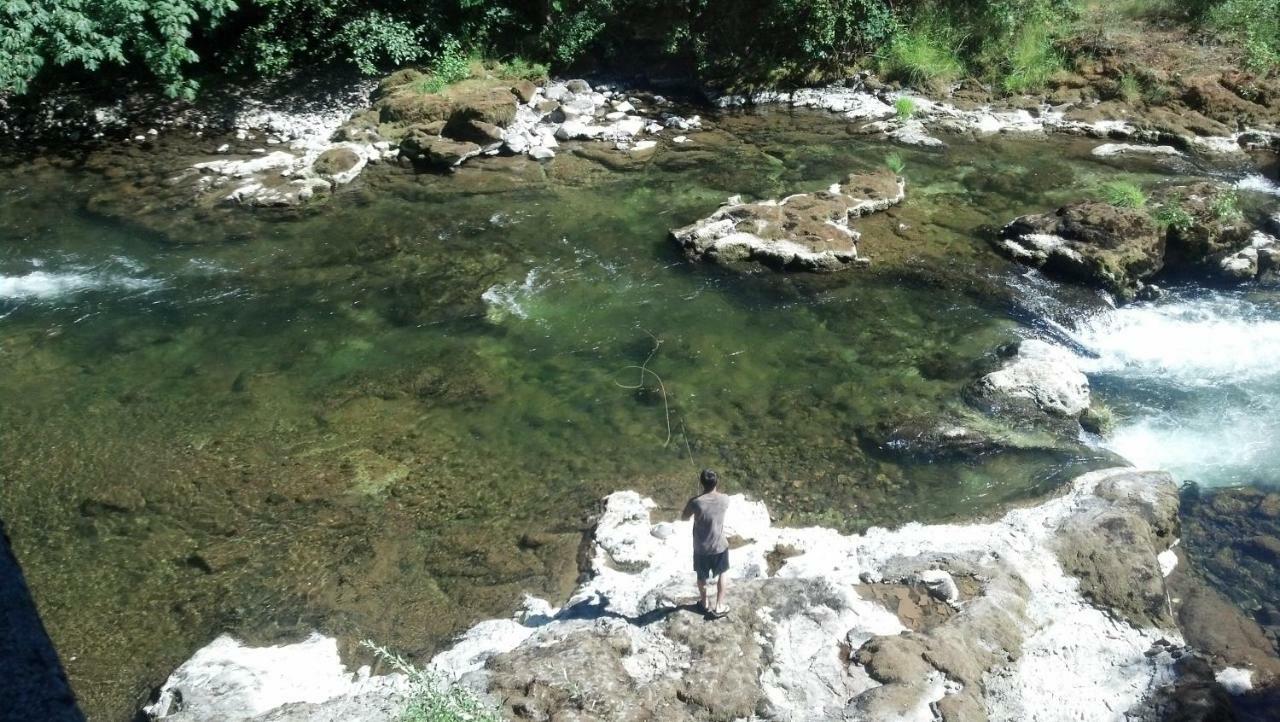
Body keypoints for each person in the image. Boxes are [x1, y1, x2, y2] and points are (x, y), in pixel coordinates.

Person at [682, 469, 730, 617]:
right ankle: (720, 606)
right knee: (722, 573)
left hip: (701, 548)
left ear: (701, 482)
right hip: (720, 546)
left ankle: (704, 604)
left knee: (701, 577)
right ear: (717, 482)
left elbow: (684, 517)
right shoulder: (725, 499)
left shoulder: (695, 502)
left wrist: (696, 500)